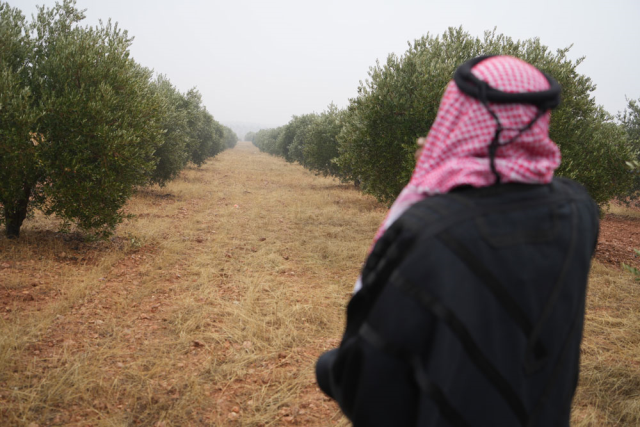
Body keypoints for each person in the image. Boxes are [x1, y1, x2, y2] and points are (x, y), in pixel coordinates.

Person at [315, 55, 600, 427]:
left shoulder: (426, 229)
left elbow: (370, 387)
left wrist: (331, 370)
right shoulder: (580, 211)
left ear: (460, 117)